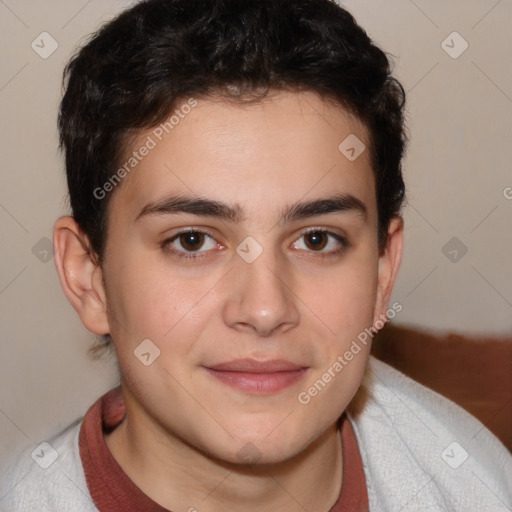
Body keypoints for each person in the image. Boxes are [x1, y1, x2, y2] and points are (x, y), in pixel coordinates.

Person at [1, 0, 511, 510]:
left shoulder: (479, 485)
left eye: (317, 239)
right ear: (89, 276)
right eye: (193, 241)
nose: (265, 310)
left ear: (382, 272)